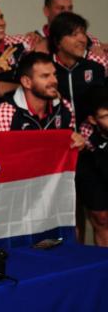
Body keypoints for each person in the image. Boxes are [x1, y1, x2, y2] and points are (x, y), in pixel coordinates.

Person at [0, 52, 84, 147]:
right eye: (45, 76)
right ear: (27, 82)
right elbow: (0, 156)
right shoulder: (5, 113)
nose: (54, 81)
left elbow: (69, 145)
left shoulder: (65, 106)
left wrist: (77, 142)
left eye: (54, 75)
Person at [49, 12, 105, 128]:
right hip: (59, 138)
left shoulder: (96, 68)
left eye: (83, 34)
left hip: (91, 141)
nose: (82, 39)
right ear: (57, 42)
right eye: (74, 34)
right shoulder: (45, 69)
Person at [77, 87, 108, 246]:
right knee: (101, 218)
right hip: (95, 171)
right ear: (93, 120)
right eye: (106, 116)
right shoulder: (86, 137)